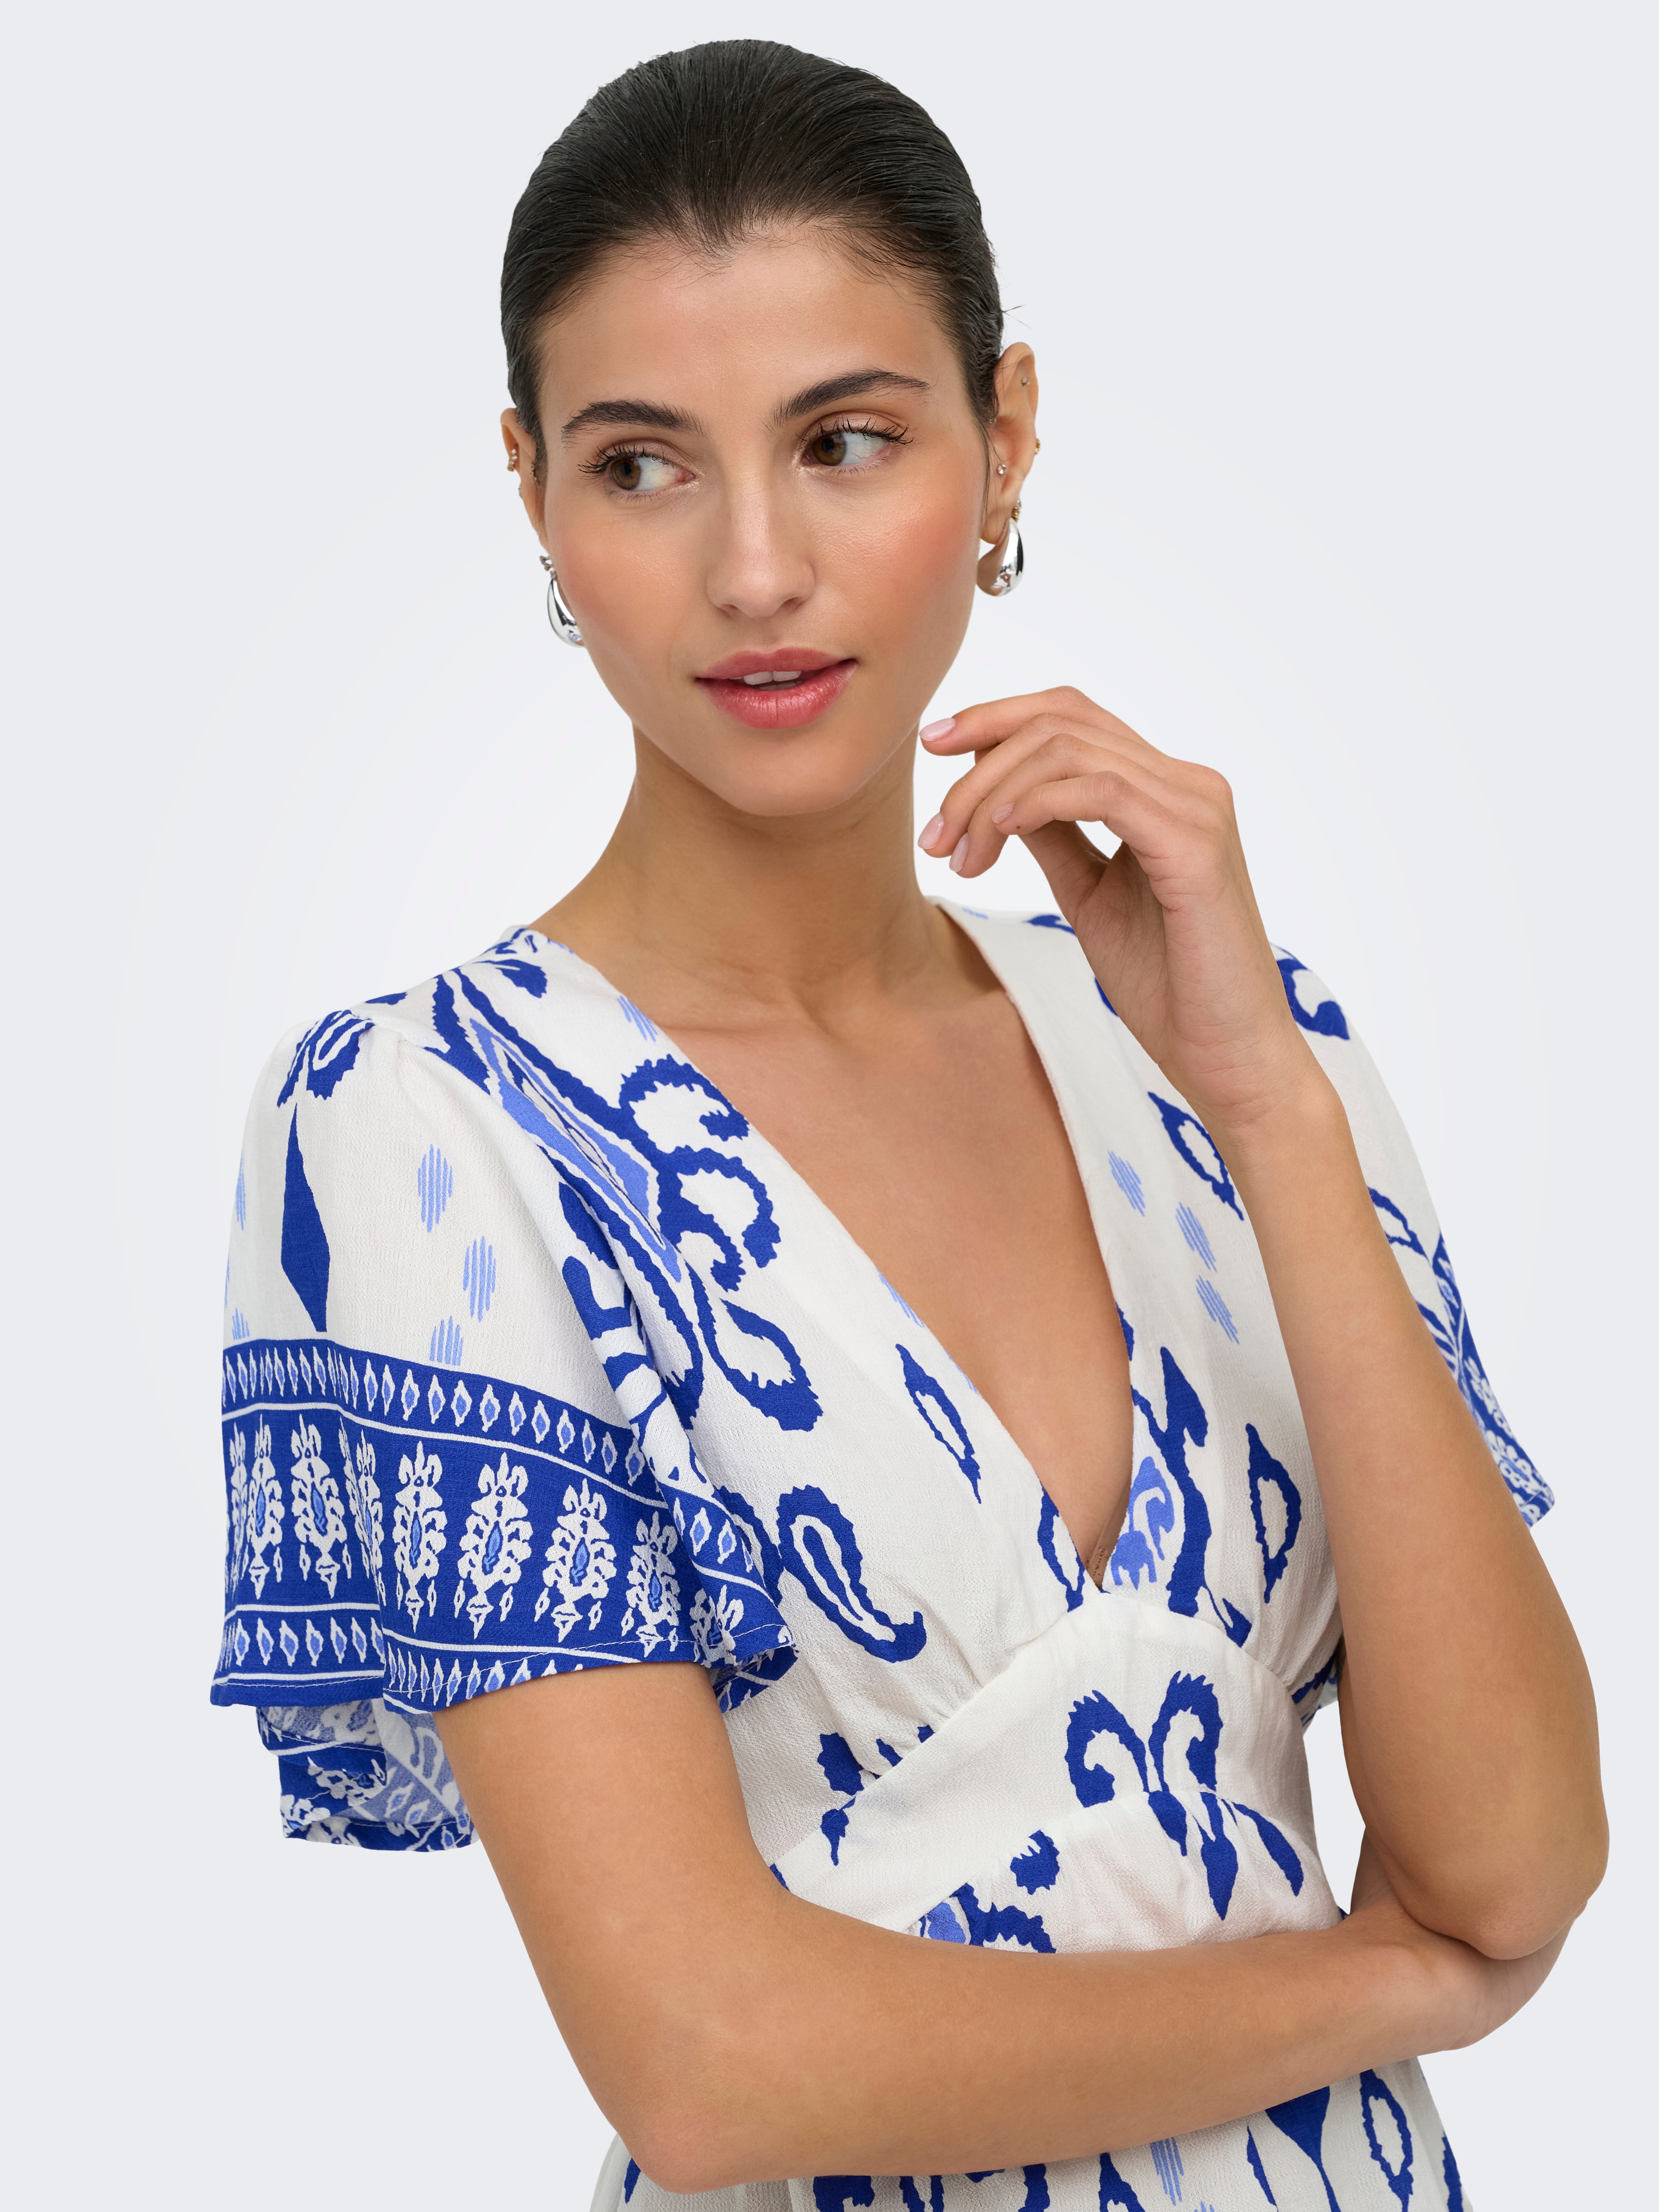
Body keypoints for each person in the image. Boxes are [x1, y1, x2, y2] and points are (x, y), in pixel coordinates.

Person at [213, 40, 1605, 2212]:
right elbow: (711, 2068)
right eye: (644, 466)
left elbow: (1514, 1854)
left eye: (844, 441)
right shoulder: (436, 1125)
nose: (758, 569)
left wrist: (1264, 1108)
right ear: (535, 494)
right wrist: (1388, 1986)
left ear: (1003, 439)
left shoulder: (1243, 1053)